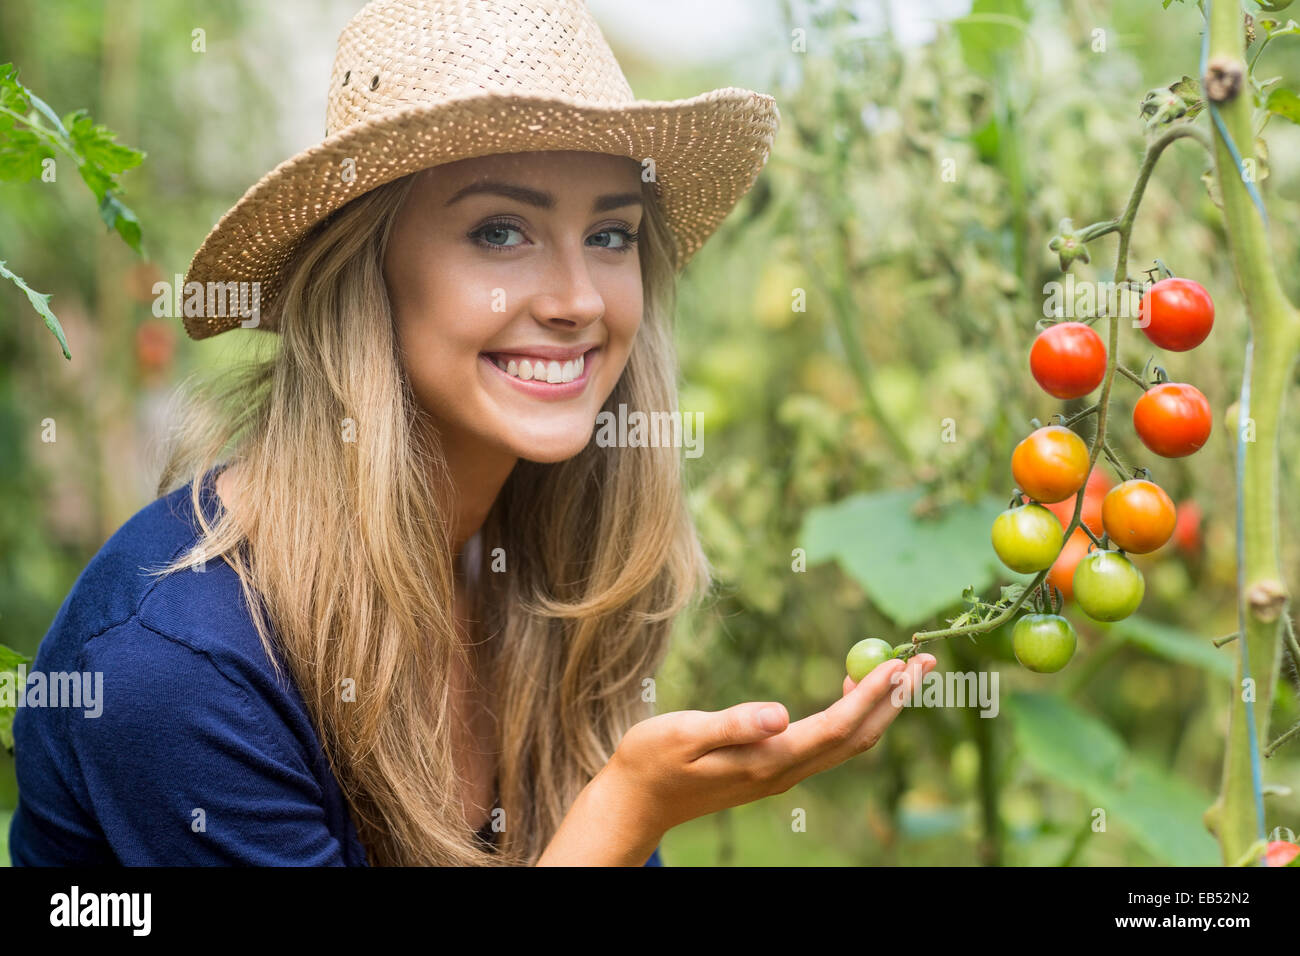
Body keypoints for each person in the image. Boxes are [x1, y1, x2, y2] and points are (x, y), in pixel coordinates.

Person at [9, 0, 935, 867]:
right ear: (363, 268)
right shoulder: (179, 668)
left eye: (610, 236)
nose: (577, 300)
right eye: (501, 231)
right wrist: (622, 814)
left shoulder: (536, 573)